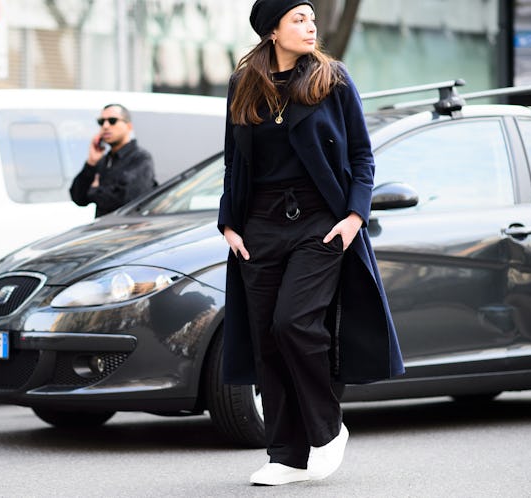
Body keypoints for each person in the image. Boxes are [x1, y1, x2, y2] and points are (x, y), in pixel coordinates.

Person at [218, 0, 404, 486]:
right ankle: (284, 455)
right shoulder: (245, 84)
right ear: (272, 30)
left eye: (312, 19)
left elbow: (362, 155)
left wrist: (353, 217)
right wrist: (229, 224)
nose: (310, 26)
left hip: (318, 223)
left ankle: (327, 429)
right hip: (257, 226)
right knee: (267, 340)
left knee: (294, 323)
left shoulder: (331, 78)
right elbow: (233, 163)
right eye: (298, 19)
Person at [70, 103, 156, 217]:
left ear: (128, 126)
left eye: (112, 121)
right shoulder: (103, 160)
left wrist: (95, 190)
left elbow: (127, 200)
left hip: (127, 231)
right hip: (103, 230)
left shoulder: (140, 158)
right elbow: (79, 198)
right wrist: (91, 163)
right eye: (101, 122)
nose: (105, 126)